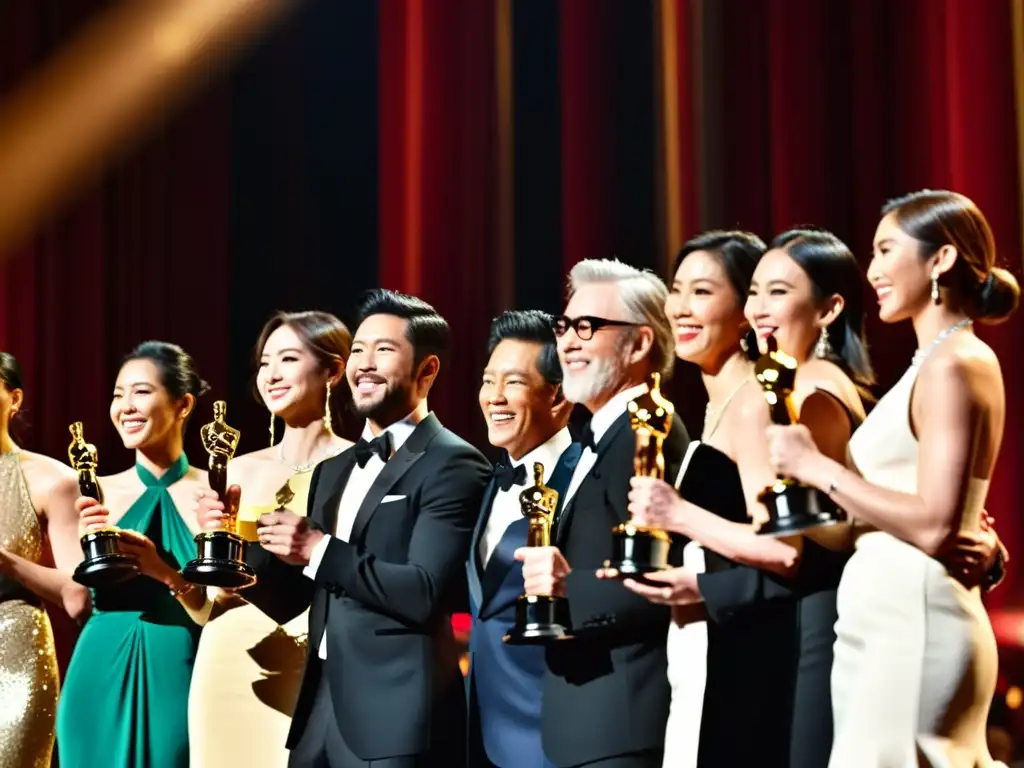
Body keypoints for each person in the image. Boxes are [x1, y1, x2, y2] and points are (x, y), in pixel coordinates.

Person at [765, 190, 1018, 767]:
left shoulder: (958, 363)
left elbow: (934, 524)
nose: (872, 270)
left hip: (915, 622)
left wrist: (818, 467)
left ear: (941, 259)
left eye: (885, 250)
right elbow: (888, 514)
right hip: (883, 621)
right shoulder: (931, 363)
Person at [606, 228, 873, 766]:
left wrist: (678, 518)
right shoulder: (720, 405)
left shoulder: (760, 401)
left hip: (755, 651)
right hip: (719, 640)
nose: (680, 307)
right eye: (676, 289)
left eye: (702, 292)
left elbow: (786, 549)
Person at [198, 289, 490, 767]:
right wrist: (231, 547)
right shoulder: (335, 471)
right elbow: (295, 597)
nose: (365, 363)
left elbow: (423, 591)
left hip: (396, 718)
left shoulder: (453, 464)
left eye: (384, 350)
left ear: (428, 370)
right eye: (358, 349)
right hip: (320, 711)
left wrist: (317, 547)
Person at [516, 259, 690, 768]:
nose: (567, 342)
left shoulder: (647, 433)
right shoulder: (602, 436)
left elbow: (660, 576)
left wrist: (566, 587)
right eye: (564, 326)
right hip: (588, 725)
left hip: (621, 726)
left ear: (639, 345)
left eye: (587, 327)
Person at [189, 311, 354, 768]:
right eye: (264, 363)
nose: (271, 375)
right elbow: (212, 599)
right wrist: (212, 542)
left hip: (315, 658)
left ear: (334, 371)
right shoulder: (234, 469)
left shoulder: (360, 465)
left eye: (288, 358)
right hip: (229, 659)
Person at [54, 341, 214, 768]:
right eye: (117, 395)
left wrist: (164, 573)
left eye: (141, 392)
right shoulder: (93, 493)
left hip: (181, 667)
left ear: (182, 404)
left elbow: (228, 611)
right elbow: (75, 597)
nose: (125, 406)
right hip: (98, 663)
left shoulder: (213, 495)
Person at [468, 310, 577, 768]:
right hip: (486, 733)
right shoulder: (488, 481)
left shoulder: (584, 482)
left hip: (559, 734)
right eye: (488, 381)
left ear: (559, 397)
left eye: (513, 383)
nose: (495, 398)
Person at [0, 352, 81, 768]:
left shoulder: (53, 479)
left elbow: (78, 594)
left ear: (14, 399)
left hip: (14, 657)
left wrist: (7, 564)